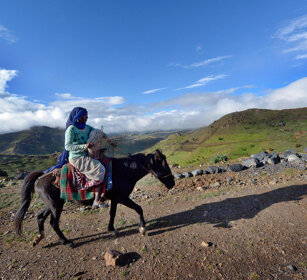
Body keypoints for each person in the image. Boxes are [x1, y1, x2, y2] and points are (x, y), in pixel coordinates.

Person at [45, 107, 107, 208]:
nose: (86, 117)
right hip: (77, 158)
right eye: (84, 115)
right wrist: (84, 146)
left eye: (87, 115)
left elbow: (98, 132)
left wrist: (107, 138)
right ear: (78, 117)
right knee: (100, 169)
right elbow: (68, 146)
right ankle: (97, 200)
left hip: (87, 155)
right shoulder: (71, 129)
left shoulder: (87, 127)